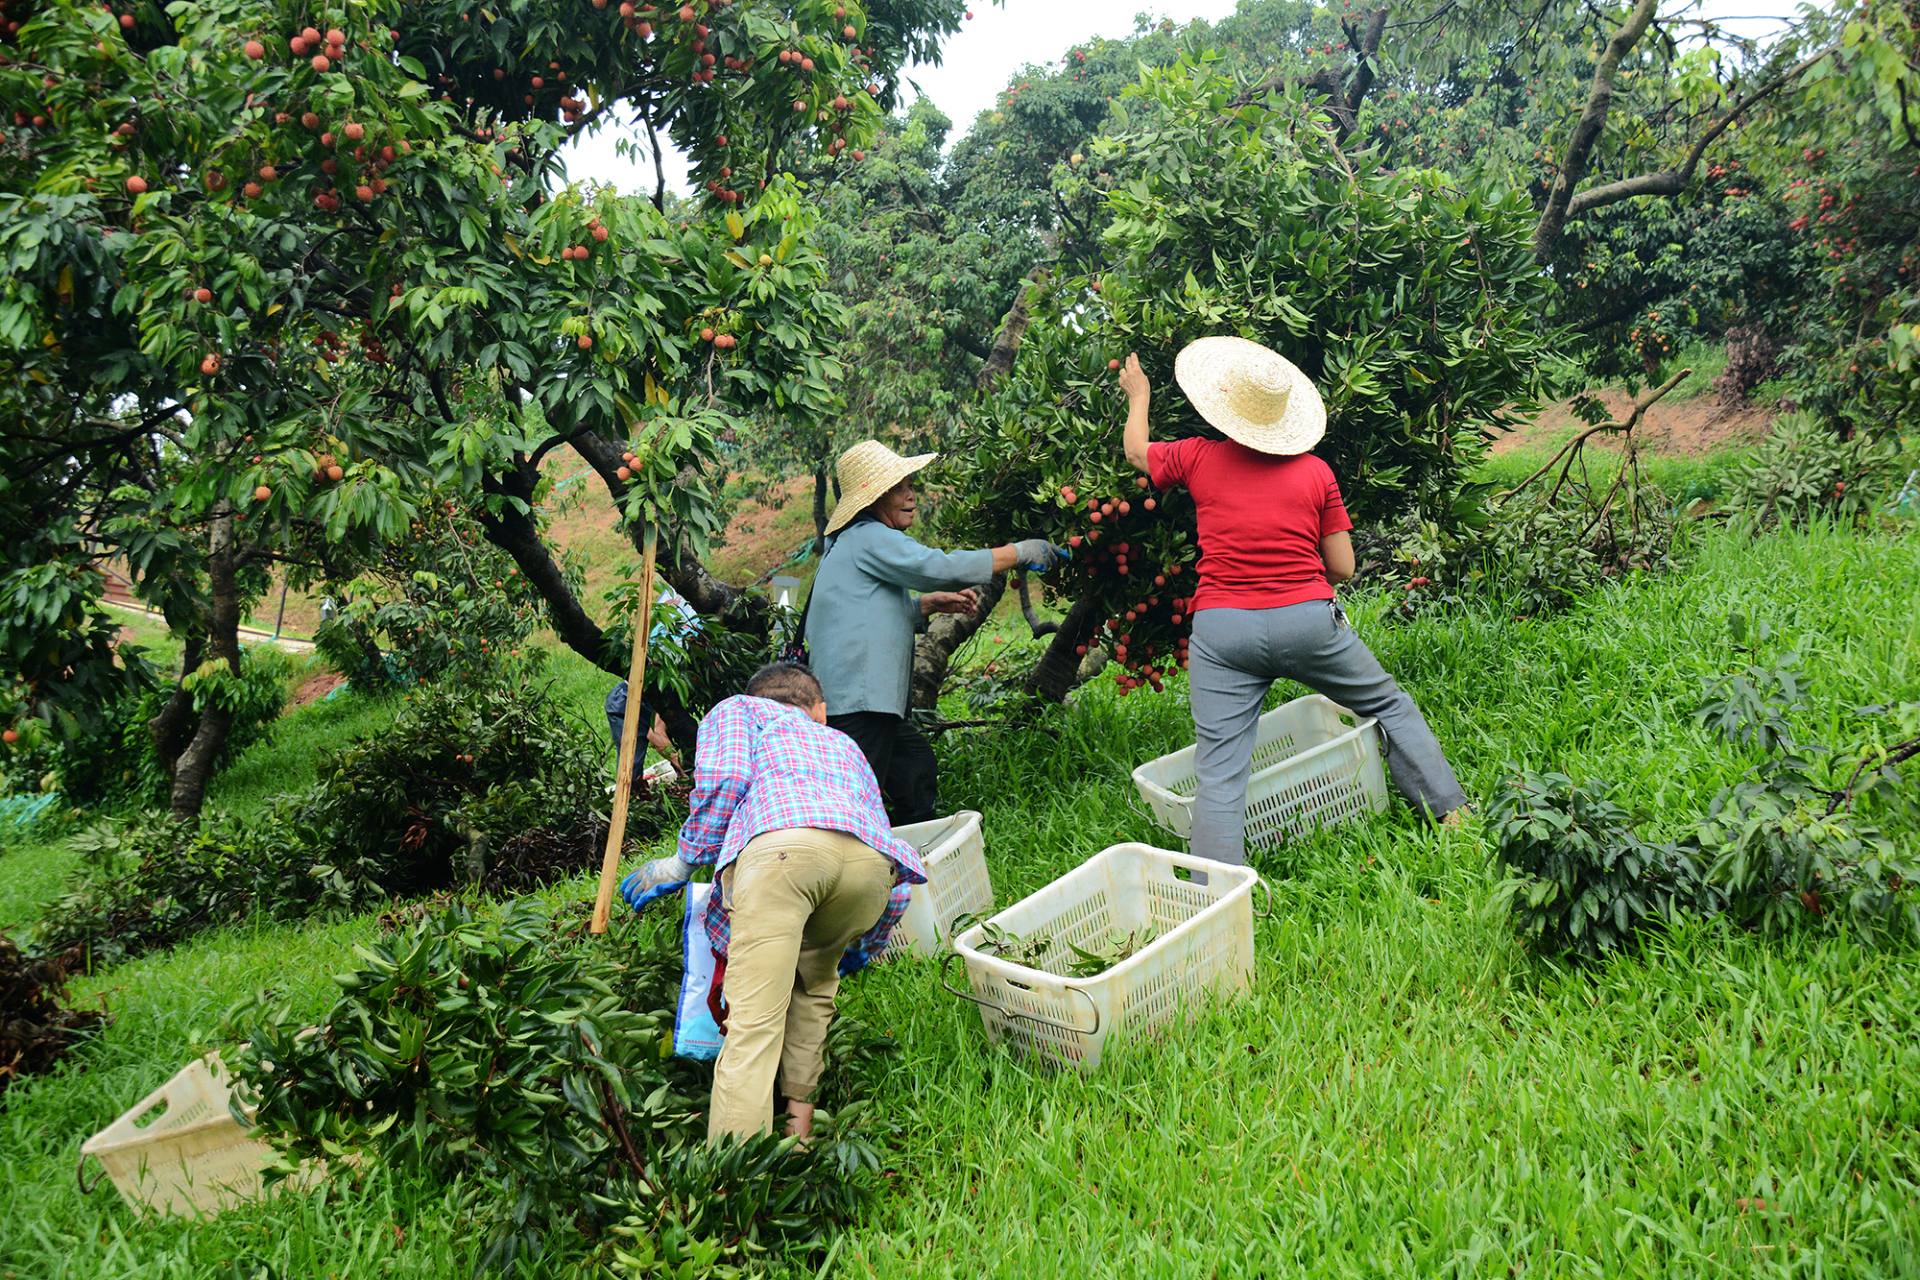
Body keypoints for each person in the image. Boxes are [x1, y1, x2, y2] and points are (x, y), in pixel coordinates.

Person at [1119, 338, 1467, 865]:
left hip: (1222, 633)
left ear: (1228, 410)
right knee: (1387, 704)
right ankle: (1452, 818)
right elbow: (1344, 567)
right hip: (1308, 622)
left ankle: (1216, 893)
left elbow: (1136, 453)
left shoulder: (1197, 456)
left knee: (1220, 768)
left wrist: (1138, 395)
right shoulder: (1316, 472)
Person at [621, 662, 927, 1142]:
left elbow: (724, 781)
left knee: (754, 1025)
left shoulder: (739, 710)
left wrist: (682, 862)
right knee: (813, 991)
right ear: (820, 711)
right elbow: (884, 845)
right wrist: (863, 944)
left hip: (784, 853)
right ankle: (798, 1136)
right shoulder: (845, 745)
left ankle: (735, 1177)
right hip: (871, 872)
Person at [803, 439, 1060, 824]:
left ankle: (908, 855)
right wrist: (1019, 552)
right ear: (873, 498)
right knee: (851, 801)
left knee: (914, 771)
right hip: (858, 701)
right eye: (899, 488)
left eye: (910, 486)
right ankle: (854, 869)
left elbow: (858, 615)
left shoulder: (850, 544)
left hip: (861, 700)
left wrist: (925, 606)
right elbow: (936, 566)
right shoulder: (869, 537)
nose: (910, 496)